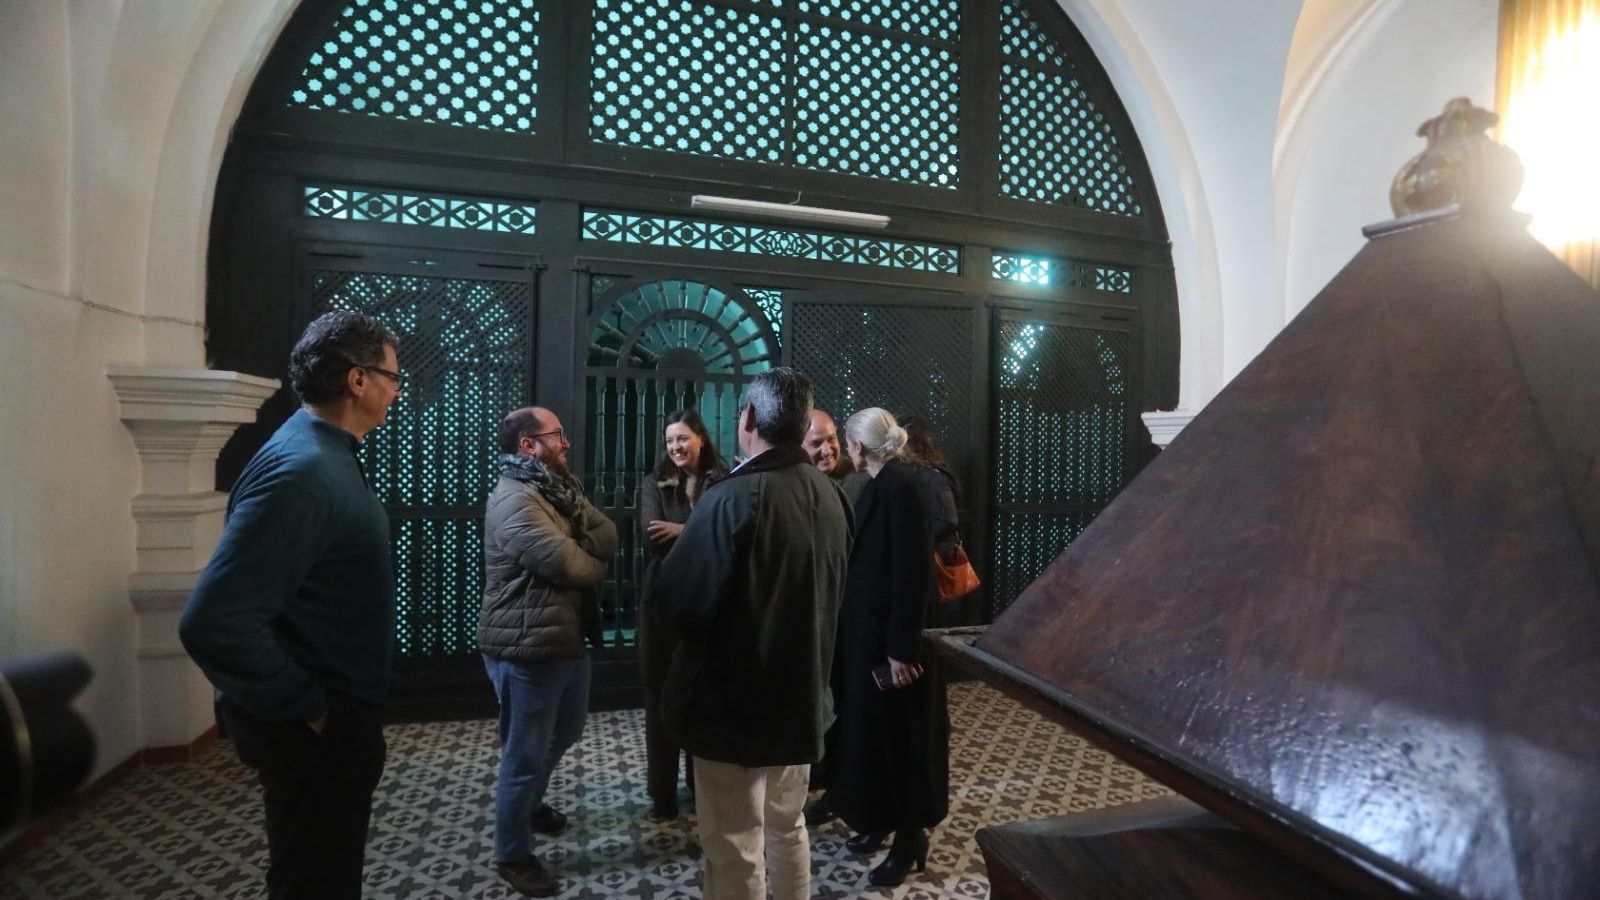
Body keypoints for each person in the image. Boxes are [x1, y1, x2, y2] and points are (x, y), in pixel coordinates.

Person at [179, 310, 404, 900]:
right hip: (315, 729)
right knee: (314, 879)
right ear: (357, 380)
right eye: (392, 376)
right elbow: (214, 621)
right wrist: (309, 706)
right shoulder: (304, 472)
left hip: (327, 717)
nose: (397, 390)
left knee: (320, 868)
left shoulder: (317, 450)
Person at [651, 368, 853, 900]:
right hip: (802, 696)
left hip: (733, 710)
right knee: (788, 827)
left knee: (735, 843)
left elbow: (680, 605)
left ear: (749, 419)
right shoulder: (832, 496)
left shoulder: (731, 498)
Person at [479, 406, 618, 896]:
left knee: (568, 729)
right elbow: (571, 566)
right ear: (527, 445)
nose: (566, 444)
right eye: (557, 435)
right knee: (524, 754)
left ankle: (531, 801)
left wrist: (587, 545)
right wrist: (593, 561)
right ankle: (512, 851)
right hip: (526, 646)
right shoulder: (514, 499)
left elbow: (609, 533)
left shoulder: (558, 489)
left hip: (563, 638)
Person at [824, 407, 950, 888]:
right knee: (876, 735)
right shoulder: (887, 483)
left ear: (857, 447)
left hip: (895, 641)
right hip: (872, 636)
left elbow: (913, 574)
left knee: (903, 740)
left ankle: (909, 836)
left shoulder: (903, 486)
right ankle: (879, 819)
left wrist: (902, 651)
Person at [637, 409, 728, 820]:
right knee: (660, 699)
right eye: (670, 440)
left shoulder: (722, 480)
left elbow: (728, 536)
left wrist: (681, 531)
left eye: (682, 438)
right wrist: (696, 530)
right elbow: (652, 536)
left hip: (709, 606)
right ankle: (662, 793)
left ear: (701, 439)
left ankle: (699, 785)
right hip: (663, 608)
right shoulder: (654, 483)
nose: (675, 447)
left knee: (703, 699)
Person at [804, 408, 869, 505]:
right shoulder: (790, 484)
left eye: (832, 439)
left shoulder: (861, 483)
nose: (827, 451)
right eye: (816, 444)